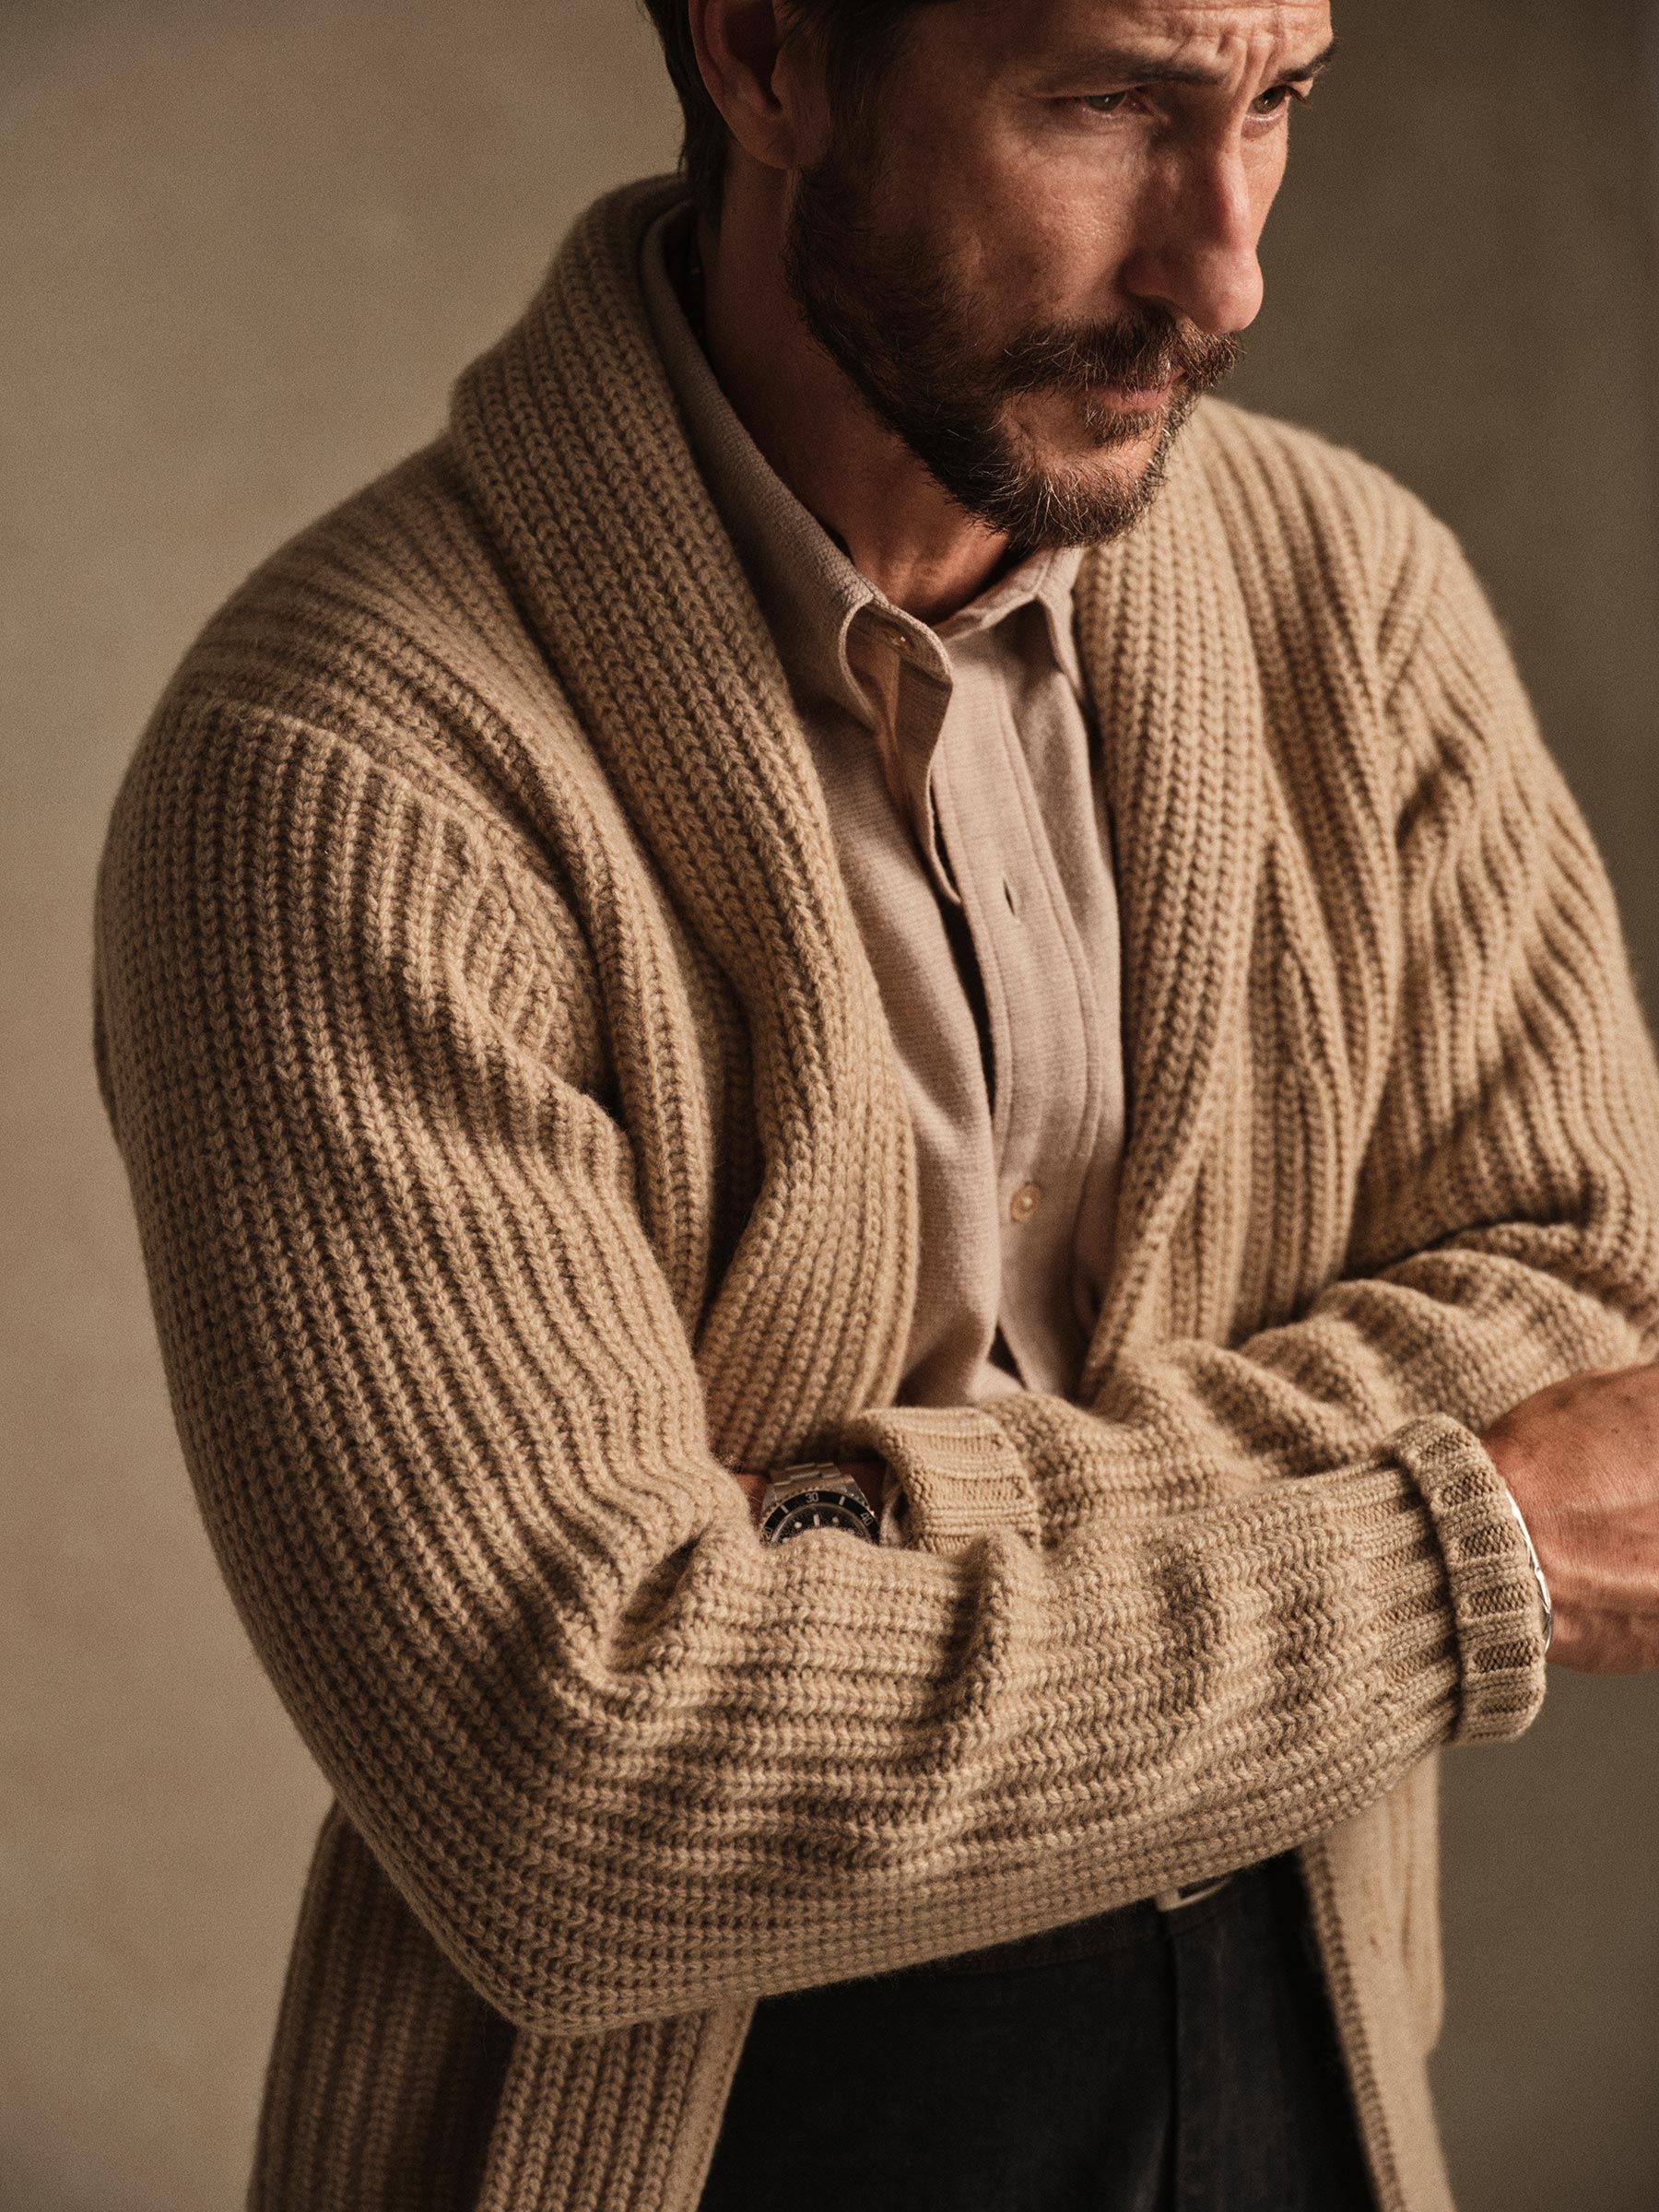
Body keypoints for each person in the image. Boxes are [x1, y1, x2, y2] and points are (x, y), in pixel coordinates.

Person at [91, 2, 1659, 2207]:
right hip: (690, 2139)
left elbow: (1590, 1309)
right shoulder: (345, 777)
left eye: (1278, 102)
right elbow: (583, 1797)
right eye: (1107, 104)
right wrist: (1453, 1543)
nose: (1222, 271)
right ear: (768, 56)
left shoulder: (1357, 599)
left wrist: (842, 1543)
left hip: (1303, 2062)